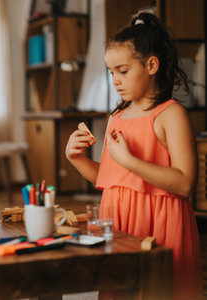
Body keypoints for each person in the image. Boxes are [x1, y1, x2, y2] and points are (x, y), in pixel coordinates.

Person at [65, 12, 202, 300]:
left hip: (161, 225)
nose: (115, 80)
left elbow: (184, 183)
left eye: (123, 70)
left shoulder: (171, 115)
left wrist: (130, 161)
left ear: (151, 65)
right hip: (120, 222)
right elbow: (110, 179)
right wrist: (77, 159)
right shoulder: (117, 116)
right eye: (111, 72)